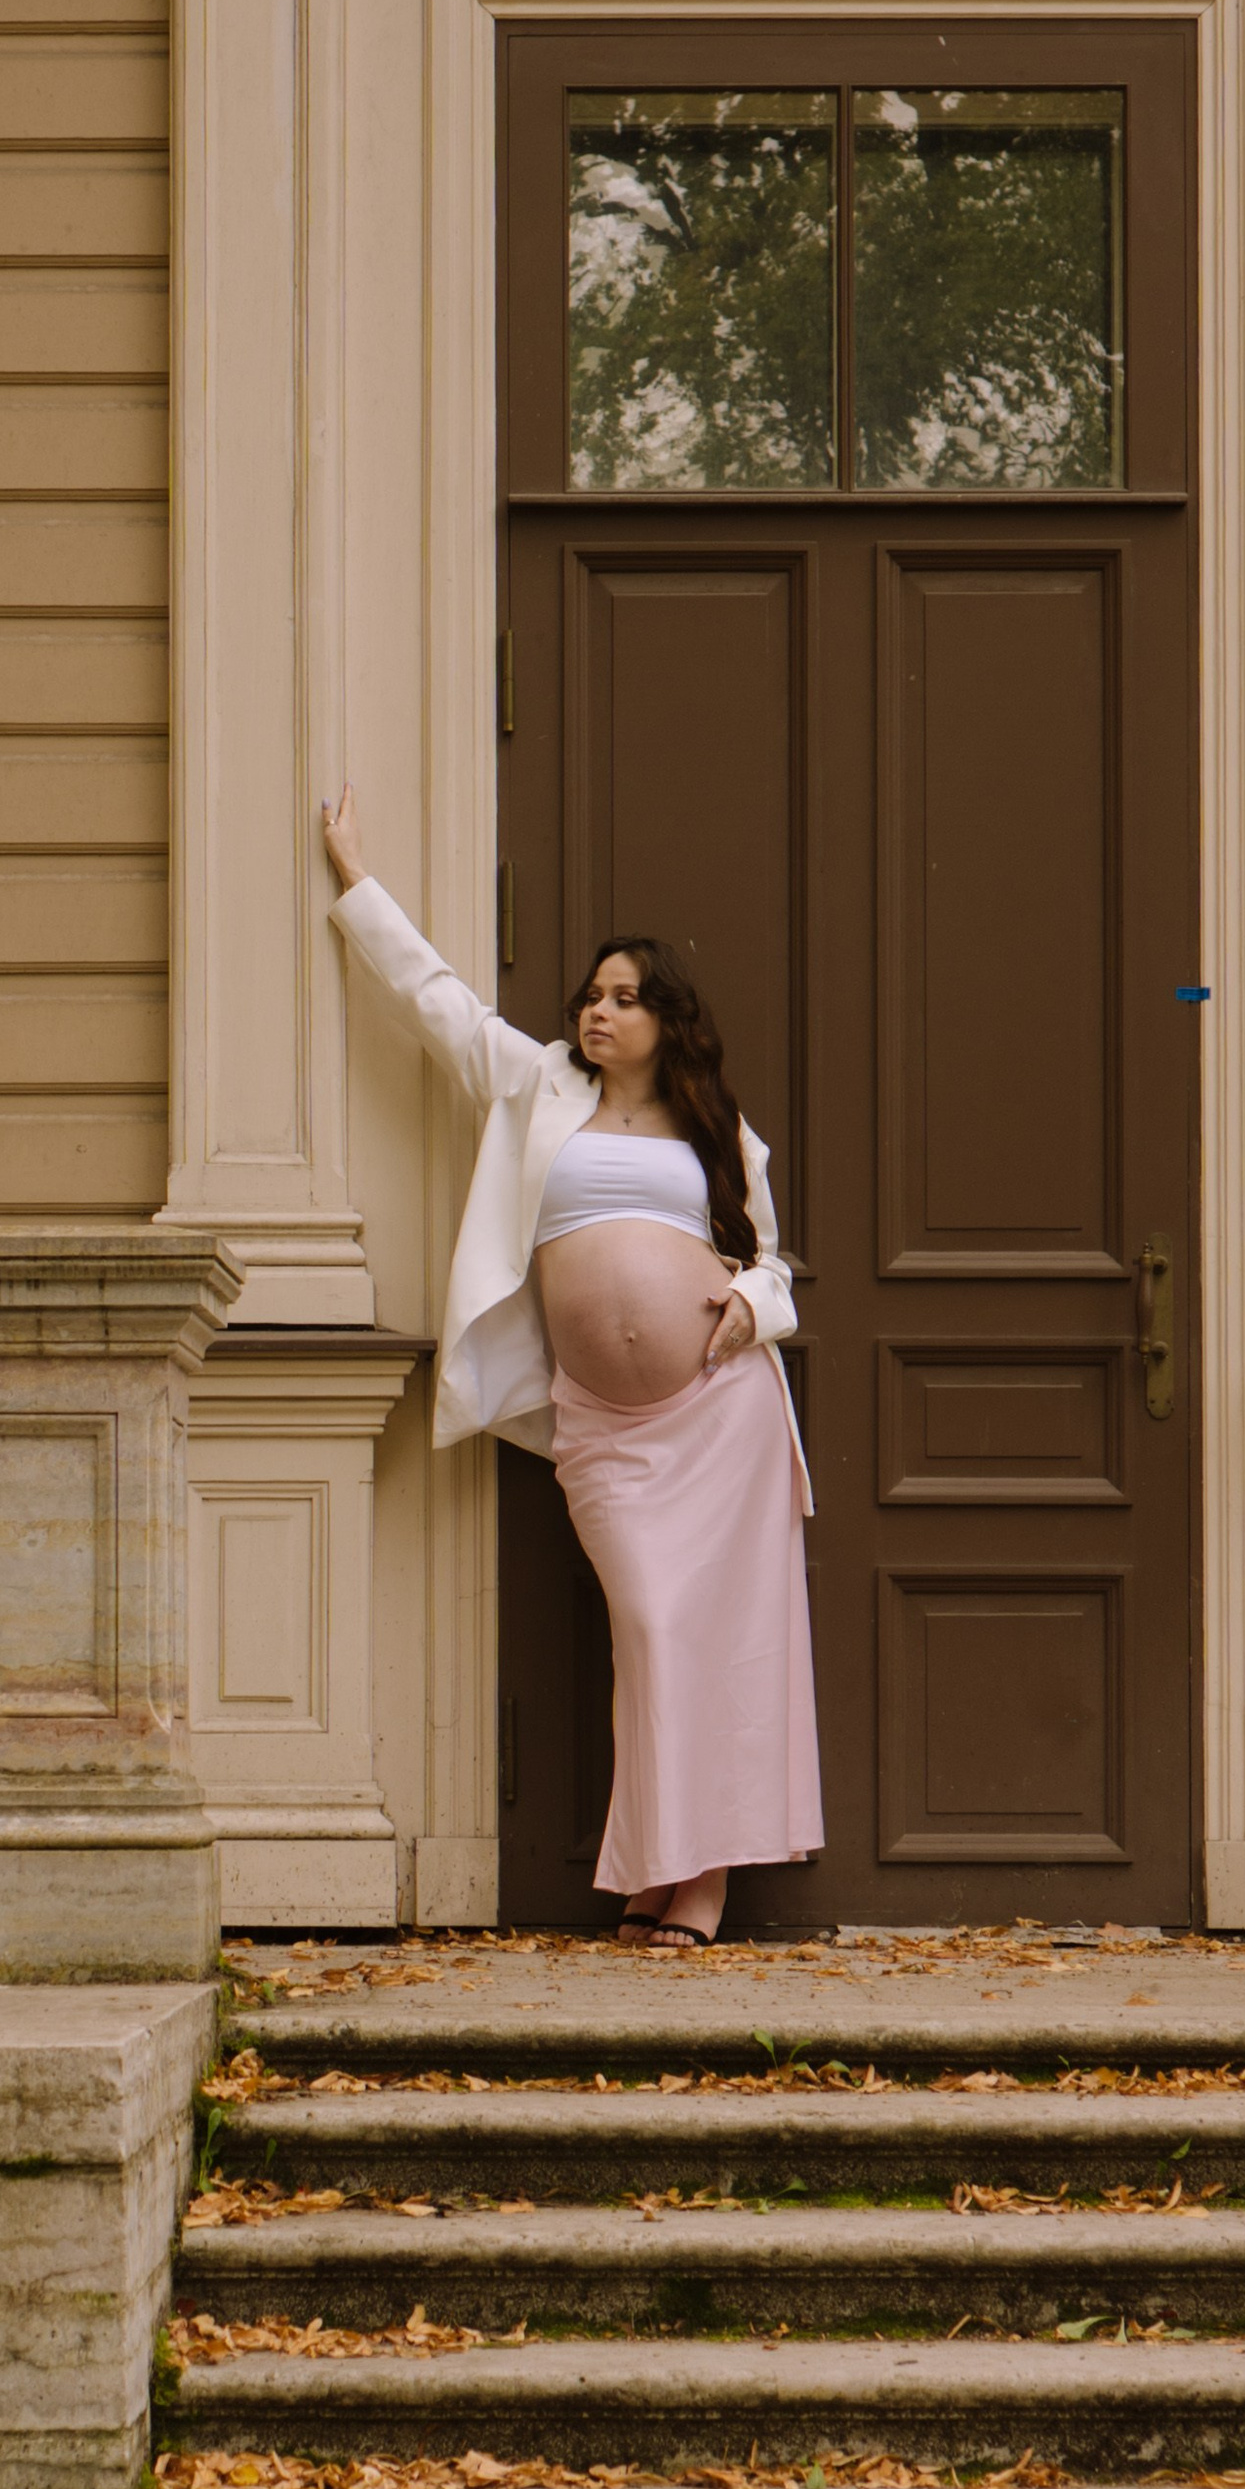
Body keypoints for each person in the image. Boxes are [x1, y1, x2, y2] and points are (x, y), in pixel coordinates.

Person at [319, 783, 822, 1945]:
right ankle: (662, 1864)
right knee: (648, 1626)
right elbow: (436, 1001)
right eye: (592, 996)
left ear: (667, 1020)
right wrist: (354, 879)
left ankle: (690, 1887)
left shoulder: (717, 1133)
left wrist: (748, 1308)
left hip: (720, 1417)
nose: (600, 1013)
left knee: (722, 1644)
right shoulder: (536, 1086)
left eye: (625, 998)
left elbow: (773, 1264)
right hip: (606, 1421)